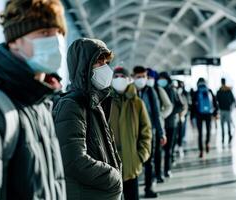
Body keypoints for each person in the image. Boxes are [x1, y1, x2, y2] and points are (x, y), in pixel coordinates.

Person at [0, 0, 67, 199]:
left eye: (59, 33)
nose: (56, 41)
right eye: (44, 33)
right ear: (14, 41)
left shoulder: (41, 102)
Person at [53, 39, 122, 200]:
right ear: (84, 67)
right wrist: (113, 178)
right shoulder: (72, 105)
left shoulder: (93, 103)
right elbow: (73, 160)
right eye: (99, 62)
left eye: (106, 62)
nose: (105, 67)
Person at [108, 67, 152, 200]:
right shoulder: (106, 102)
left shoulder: (137, 103)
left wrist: (140, 155)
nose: (119, 79)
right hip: (110, 164)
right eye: (116, 76)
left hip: (131, 164)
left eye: (122, 76)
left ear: (128, 80)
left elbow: (146, 130)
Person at [133, 66, 165, 198]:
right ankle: (132, 192)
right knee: (133, 161)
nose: (141, 79)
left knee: (148, 161)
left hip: (148, 133)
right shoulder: (130, 91)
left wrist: (161, 133)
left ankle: (148, 188)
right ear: (133, 77)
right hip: (133, 133)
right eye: (138, 77)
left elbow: (156, 114)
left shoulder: (151, 92)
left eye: (143, 77)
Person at [147, 68, 172, 183]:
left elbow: (168, 106)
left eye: (150, 77)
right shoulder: (140, 90)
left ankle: (157, 174)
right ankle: (149, 174)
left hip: (157, 126)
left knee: (157, 151)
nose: (148, 79)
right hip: (143, 127)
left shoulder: (158, 89)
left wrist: (160, 115)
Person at [157, 72, 183, 177]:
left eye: (163, 79)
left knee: (168, 149)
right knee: (158, 150)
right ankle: (158, 172)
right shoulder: (157, 90)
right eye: (160, 78)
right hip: (160, 124)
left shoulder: (172, 90)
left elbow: (180, 106)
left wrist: (170, 112)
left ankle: (167, 170)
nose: (161, 81)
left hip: (171, 124)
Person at [192, 78, 218, 158]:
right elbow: (215, 103)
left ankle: (201, 151)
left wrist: (192, 116)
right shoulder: (209, 91)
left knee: (200, 133)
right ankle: (207, 143)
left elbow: (193, 105)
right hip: (208, 114)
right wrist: (215, 113)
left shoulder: (196, 92)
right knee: (208, 130)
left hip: (199, 114)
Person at [216, 78, 236, 145]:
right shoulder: (229, 90)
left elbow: (216, 101)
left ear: (221, 82)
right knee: (228, 124)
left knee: (222, 125)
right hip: (228, 110)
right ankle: (229, 136)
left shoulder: (219, 91)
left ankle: (223, 138)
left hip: (221, 110)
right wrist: (230, 106)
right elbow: (233, 100)